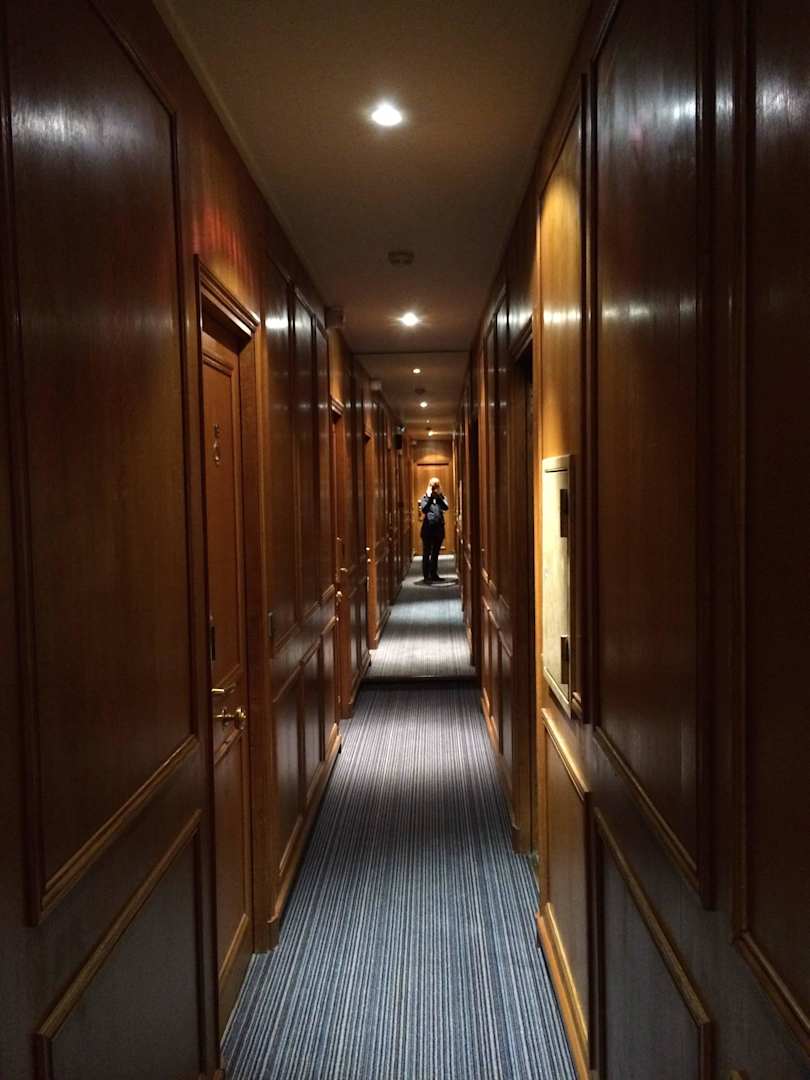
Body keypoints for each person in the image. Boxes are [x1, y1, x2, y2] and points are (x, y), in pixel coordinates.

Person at [418, 477, 448, 583]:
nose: (435, 488)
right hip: (427, 530)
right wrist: (430, 499)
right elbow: (424, 510)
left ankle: (434, 574)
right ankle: (426, 576)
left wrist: (439, 498)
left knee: (435, 553)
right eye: (433, 486)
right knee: (426, 553)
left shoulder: (442, 497)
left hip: (438, 529)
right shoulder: (425, 498)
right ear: (429, 486)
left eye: (437, 486)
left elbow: (446, 507)